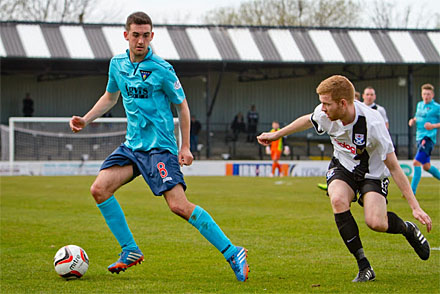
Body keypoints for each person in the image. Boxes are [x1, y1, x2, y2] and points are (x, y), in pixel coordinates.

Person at [69, 12, 249, 282]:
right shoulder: (117, 64)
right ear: (126, 35)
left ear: (151, 36)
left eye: (145, 35)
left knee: (178, 205)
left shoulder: (162, 69)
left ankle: (233, 251)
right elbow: (110, 96)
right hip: (132, 147)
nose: (140, 40)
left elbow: (183, 106)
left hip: (159, 149)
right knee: (99, 189)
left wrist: (185, 147)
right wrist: (86, 119)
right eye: (136, 34)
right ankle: (130, 249)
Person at [257, 75, 432, 282]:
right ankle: (364, 266)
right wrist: (277, 135)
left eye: (326, 104)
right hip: (343, 167)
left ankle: (407, 228)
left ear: (342, 103)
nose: (322, 108)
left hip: (373, 173)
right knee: (338, 199)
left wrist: (415, 206)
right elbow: (307, 119)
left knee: (375, 222)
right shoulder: (325, 113)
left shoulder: (373, 124)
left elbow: (394, 167)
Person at [317, 89, 382, 191]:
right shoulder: (328, 113)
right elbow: (309, 119)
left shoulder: (376, 112)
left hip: (369, 151)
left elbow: (385, 127)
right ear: (364, 96)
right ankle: (334, 180)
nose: (369, 97)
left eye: (371, 94)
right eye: (367, 94)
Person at [408, 83, 440, 195]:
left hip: (428, 138)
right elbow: (419, 116)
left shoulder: (436, 107)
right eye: (424, 94)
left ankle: (412, 191)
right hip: (419, 137)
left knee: (416, 162)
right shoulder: (419, 105)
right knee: (426, 167)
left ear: (433, 95)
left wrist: (433, 126)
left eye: (428, 94)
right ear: (421, 95)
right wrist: (413, 120)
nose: (426, 96)